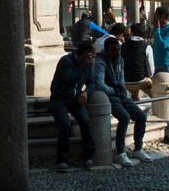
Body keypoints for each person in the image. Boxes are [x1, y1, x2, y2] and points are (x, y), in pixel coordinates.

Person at [92, 36, 148, 165]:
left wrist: (121, 88)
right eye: (113, 50)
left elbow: (121, 77)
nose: (117, 53)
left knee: (141, 116)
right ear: (106, 50)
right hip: (110, 96)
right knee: (124, 117)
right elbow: (99, 83)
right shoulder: (100, 62)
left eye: (118, 50)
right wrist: (113, 90)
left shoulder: (120, 59)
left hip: (121, 94)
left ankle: (138, 148)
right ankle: (120, 152)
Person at [49, 41, 97, 171]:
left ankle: (88, 157)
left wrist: (86, 93)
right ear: (85, 53)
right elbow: (71, 81)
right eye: (92, 53)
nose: (94, 56)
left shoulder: (86, 63)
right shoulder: (66, 61)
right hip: (59, 98)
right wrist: (83, 66)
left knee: (86, 122)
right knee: (65, 125)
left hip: (75, 98)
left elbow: (92, 83)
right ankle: (62, 160)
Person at [122, 23, 155, 101]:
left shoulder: (122, 45)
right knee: (156, 95)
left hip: (125, 82)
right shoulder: (146, 46)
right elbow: (151, 69)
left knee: (135, 93)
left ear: (132, 32)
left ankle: (136, 106)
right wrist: (149, 76)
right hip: (141, 80)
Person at [152, 6, 169, 76]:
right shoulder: (159, 28)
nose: (154, 17)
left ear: (162, 16)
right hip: (155, 65)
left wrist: (157, 29)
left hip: (166, 66)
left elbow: (163, 45)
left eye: (156, 15)